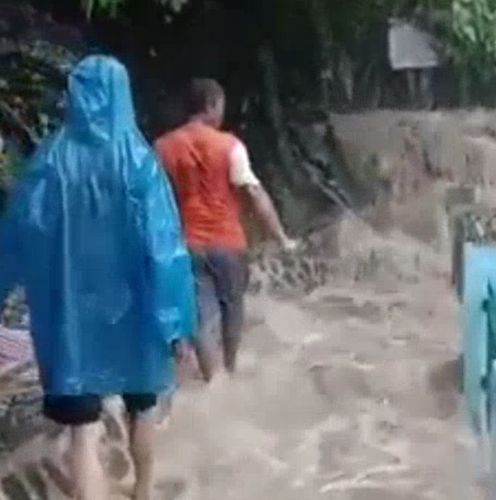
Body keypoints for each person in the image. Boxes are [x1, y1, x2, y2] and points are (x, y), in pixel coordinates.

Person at [0, 56, 196, 500]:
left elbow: (13, 237)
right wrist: (178, 324)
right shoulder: (140, 163)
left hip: (69, 318)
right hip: (135, 314)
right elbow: (165, 252)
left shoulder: (49, 162)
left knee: (82, 433)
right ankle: (143, 491)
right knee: (142, 411)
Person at [156, 78, 296, 383]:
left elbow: (153, 201)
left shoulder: (163, 147)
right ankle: (230, 371)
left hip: (186, 244)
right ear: (210, 105)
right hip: (229, 243)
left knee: (199, 316)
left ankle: (212, 379)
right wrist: (281, 237)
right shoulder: (229, 146)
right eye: (220, 105)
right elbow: (256, 194)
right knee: (233, 309)